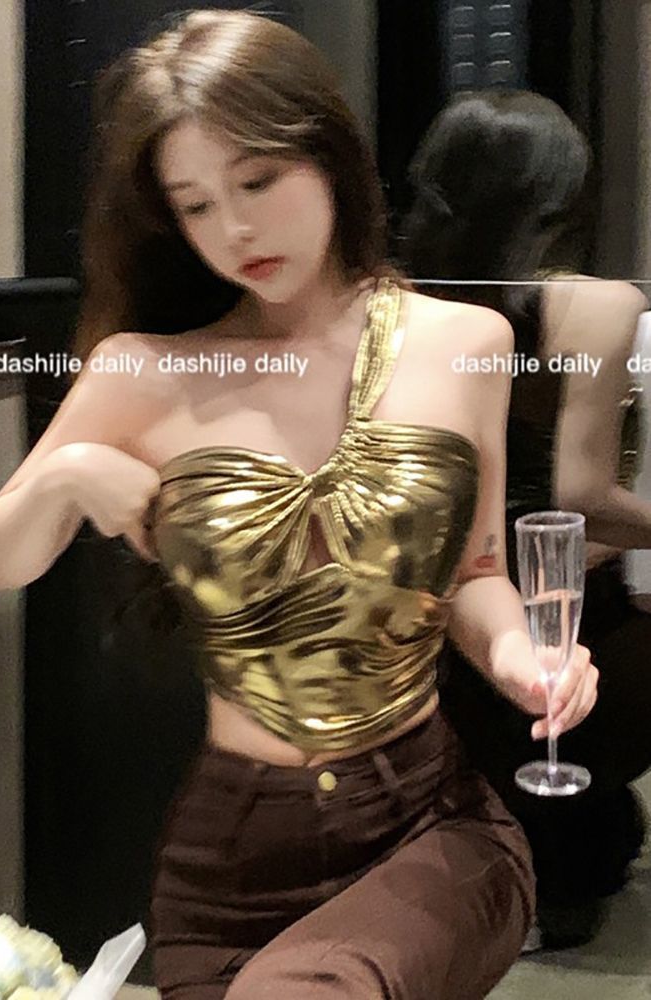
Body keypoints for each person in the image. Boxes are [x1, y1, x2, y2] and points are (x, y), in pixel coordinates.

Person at [0, 15, 598, 998]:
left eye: (258, 181)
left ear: (327, 151)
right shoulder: (145, 371)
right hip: (228, 865)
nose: (236, 230)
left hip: (427, 827)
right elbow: (0, 555)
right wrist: (67, 474)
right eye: (196, 205)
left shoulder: (463, 342)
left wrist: (519, 654)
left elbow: (475, 569)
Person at [403, 88, 651, 949]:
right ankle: (570, 856)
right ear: (560, 195)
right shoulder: (599, 305)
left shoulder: (405, 302)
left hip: (433, 591)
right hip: (553, 587)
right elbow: (581, 493)